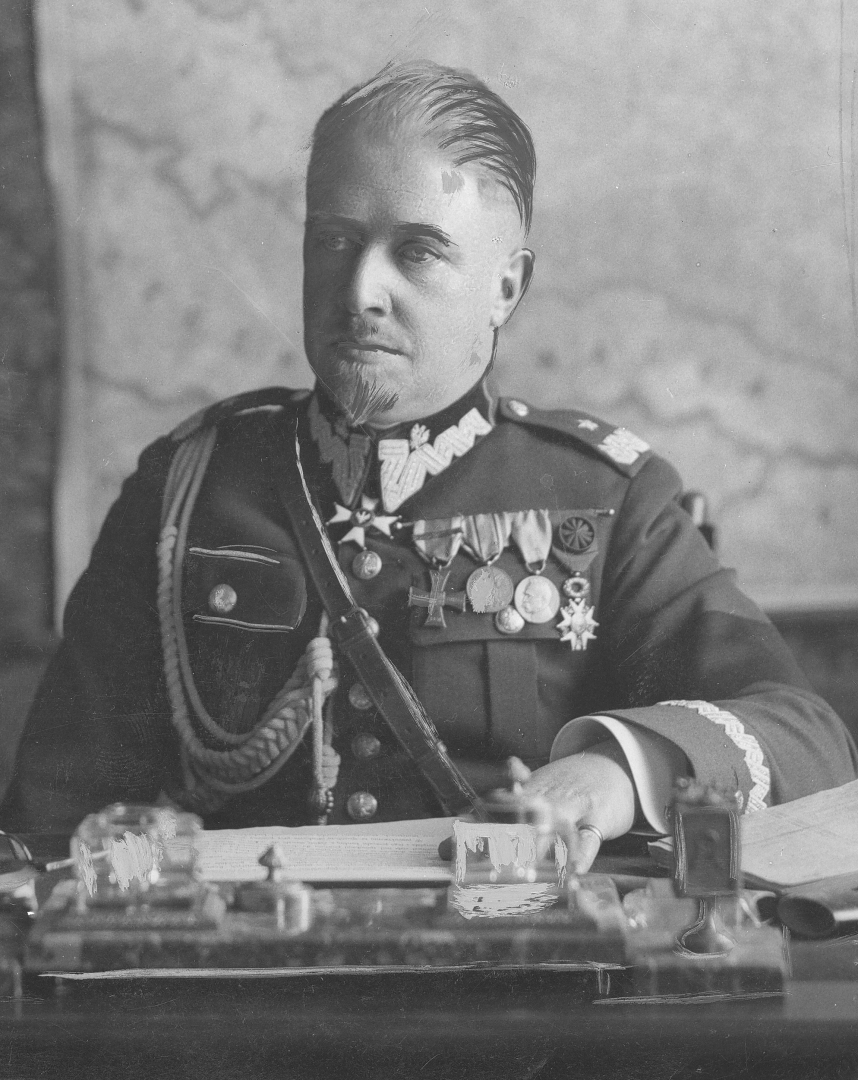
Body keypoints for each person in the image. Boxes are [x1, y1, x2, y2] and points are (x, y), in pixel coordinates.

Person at [3, 61, 855, 872]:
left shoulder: (603, 501)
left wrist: (613, 775)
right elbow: (53, 814)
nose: (359, 291)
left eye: (417, 251)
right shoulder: (187, 490)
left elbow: (804, 733)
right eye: (334, 240)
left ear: (506, 289)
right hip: (245, 957)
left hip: (507, 945)